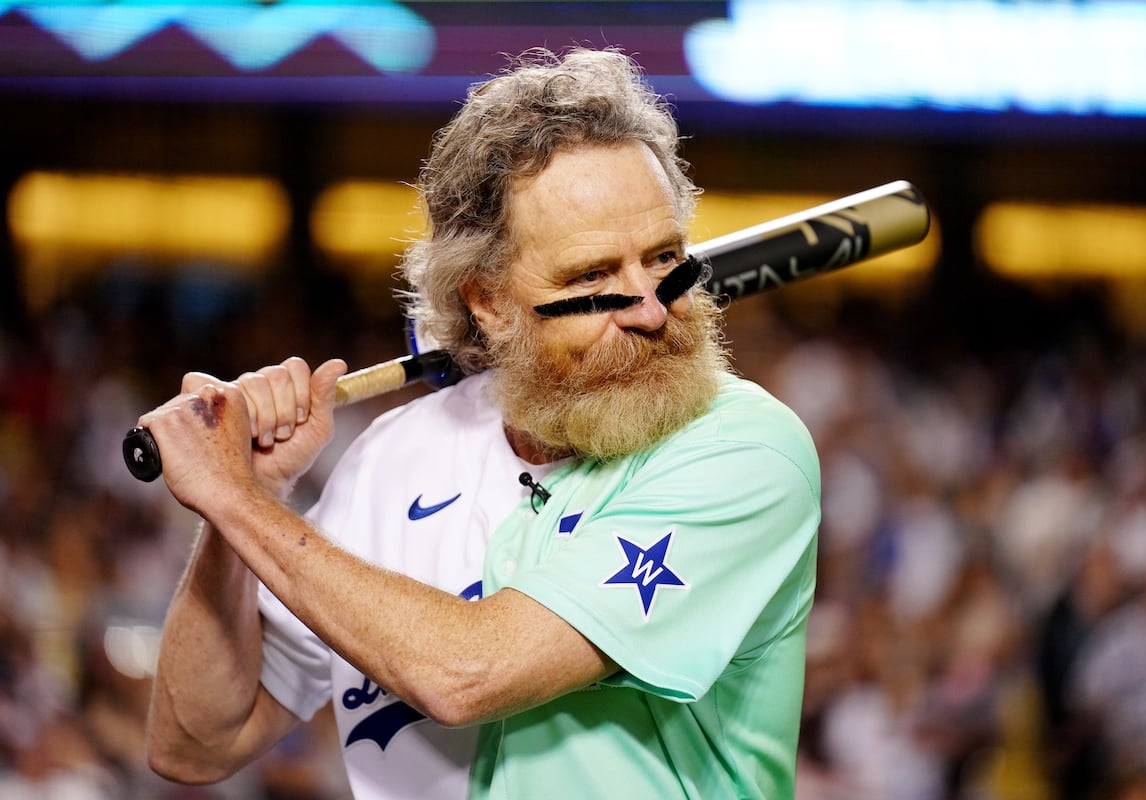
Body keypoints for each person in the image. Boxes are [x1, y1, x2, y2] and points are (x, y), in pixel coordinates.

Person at [141, 47, 821, 799]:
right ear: (487, 304)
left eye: (664, 258)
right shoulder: (394, 457)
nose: (652, 308)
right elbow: (194, 745)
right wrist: (246, 506)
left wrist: (234, 497)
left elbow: (467, 674)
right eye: (592, 275)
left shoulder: (744, 448)